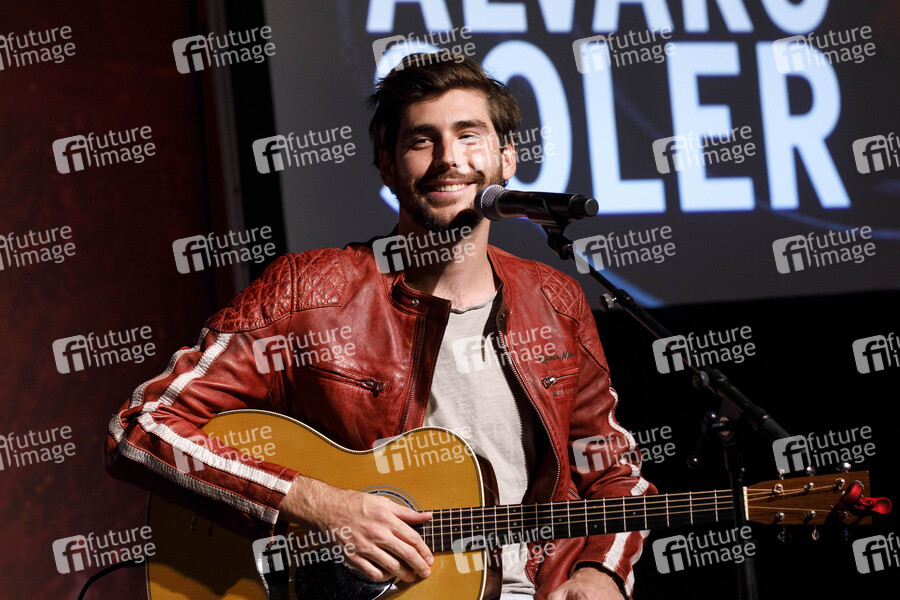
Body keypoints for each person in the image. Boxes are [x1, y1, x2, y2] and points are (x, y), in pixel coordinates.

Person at [105, 53, 655, 600]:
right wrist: (322, 505)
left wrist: (602, 573)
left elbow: (612, 472)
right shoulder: (309, 291)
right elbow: (140, 426)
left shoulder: (555, 301)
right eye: (422, 141)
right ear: (387, 166)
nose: (448, 159)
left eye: (469, 135)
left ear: (506, 158)